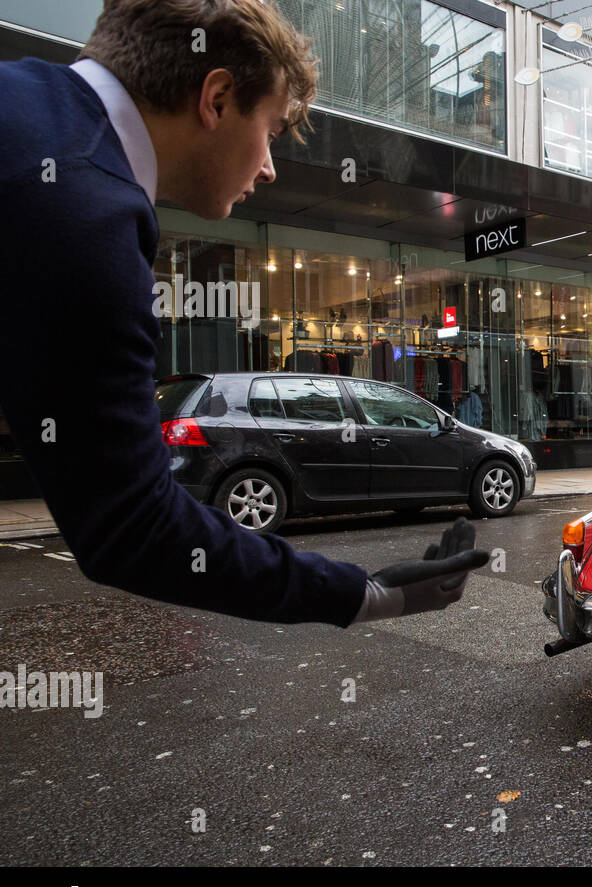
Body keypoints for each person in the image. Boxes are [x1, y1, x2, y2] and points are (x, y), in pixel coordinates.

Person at [0, 0, 487, 626]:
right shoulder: (84, 217)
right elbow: (130, 526)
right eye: (273, 130)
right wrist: (367, 593)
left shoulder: (29, 106)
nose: (269, 165)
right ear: (218, 97)